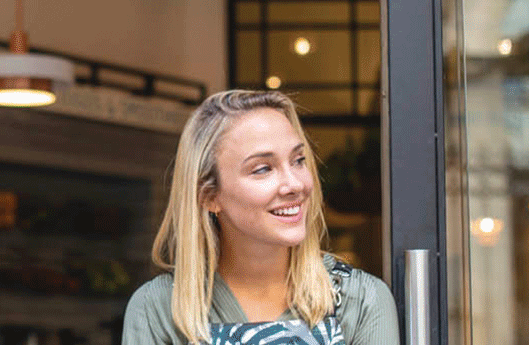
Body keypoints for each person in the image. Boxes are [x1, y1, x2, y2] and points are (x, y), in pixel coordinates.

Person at [123, 90, 398, 345]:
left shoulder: (360, 300)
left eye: (298, 160)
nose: (295, 184)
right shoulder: (158, 309)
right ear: (209, 196)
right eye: (263, 169)